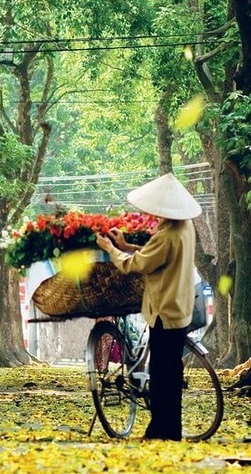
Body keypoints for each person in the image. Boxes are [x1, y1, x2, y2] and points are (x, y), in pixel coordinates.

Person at [94, 172, 201, 441]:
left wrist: (111, 249)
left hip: (164, 309)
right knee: (171, 373)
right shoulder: (184, 227)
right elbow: (155, 254)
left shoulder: (167, 234)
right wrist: (126, 244)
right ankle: (168, 429)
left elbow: (137, 265)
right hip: (180, 307)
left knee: (162, 375)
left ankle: (162, 431)